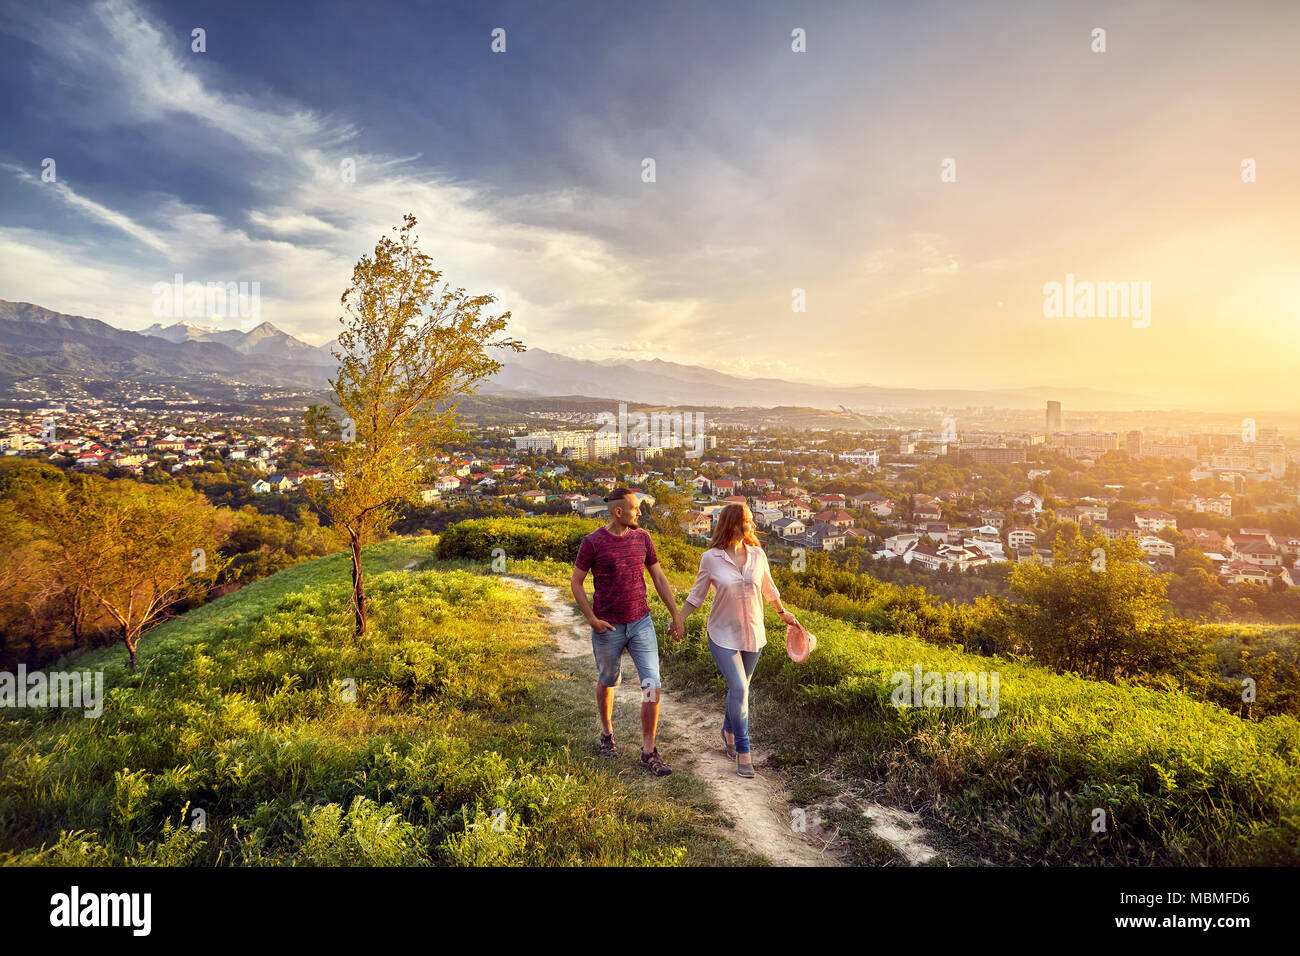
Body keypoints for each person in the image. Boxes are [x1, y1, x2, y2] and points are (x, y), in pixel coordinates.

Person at [671, 503, 795, 778]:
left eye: (751, 520)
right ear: (733, 524)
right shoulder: (711, 558)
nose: (752, 525)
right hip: (721, 633)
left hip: (754, 633)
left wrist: (783, 613)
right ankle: (743, 751)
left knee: (739, 690)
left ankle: (728, 730)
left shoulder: (758, 555)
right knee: (740, 688)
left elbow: (769, 589)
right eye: (748, 520)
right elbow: (696, 596)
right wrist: (678, 620)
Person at [571, 487, 683, 776]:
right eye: (636, 508)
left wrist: (676, 615)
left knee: (651, 684)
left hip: (641, 623)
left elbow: (658, 577)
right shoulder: (592, 542)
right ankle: (607, 735)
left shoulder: (643, 538)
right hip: (608, 626)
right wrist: (592, 619)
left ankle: (649, 751)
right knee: (608, 680)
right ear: (618, 512)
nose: (640, 513)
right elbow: (577, 583)